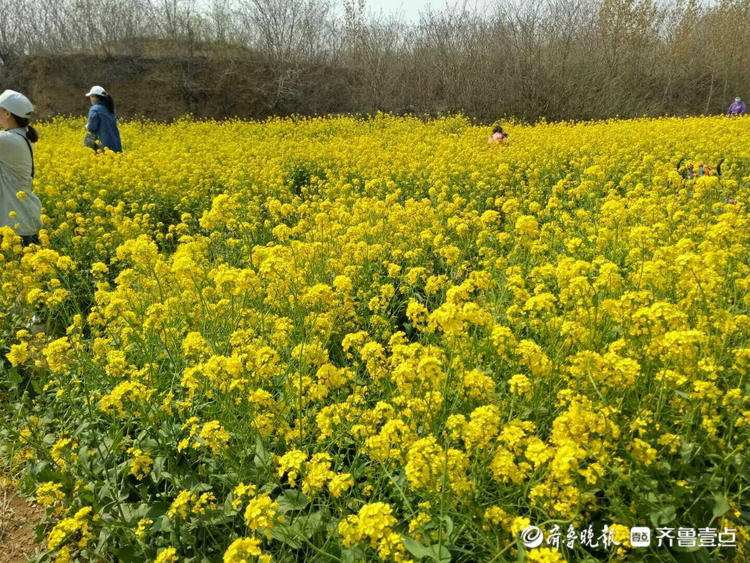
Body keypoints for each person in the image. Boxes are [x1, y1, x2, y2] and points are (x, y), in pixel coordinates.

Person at [0, 89, 42, 247]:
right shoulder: (22, 135)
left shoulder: (8, 140)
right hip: (22, 221)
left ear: (7, 114)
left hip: (16, 229)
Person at [85, 85, 122, 152]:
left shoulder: (95, 109)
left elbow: (92, 127)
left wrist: (87, 126)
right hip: (115, 144)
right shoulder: (110, 108)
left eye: (91, 96)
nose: (90, 98)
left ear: (95, 97)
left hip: (103, 145)